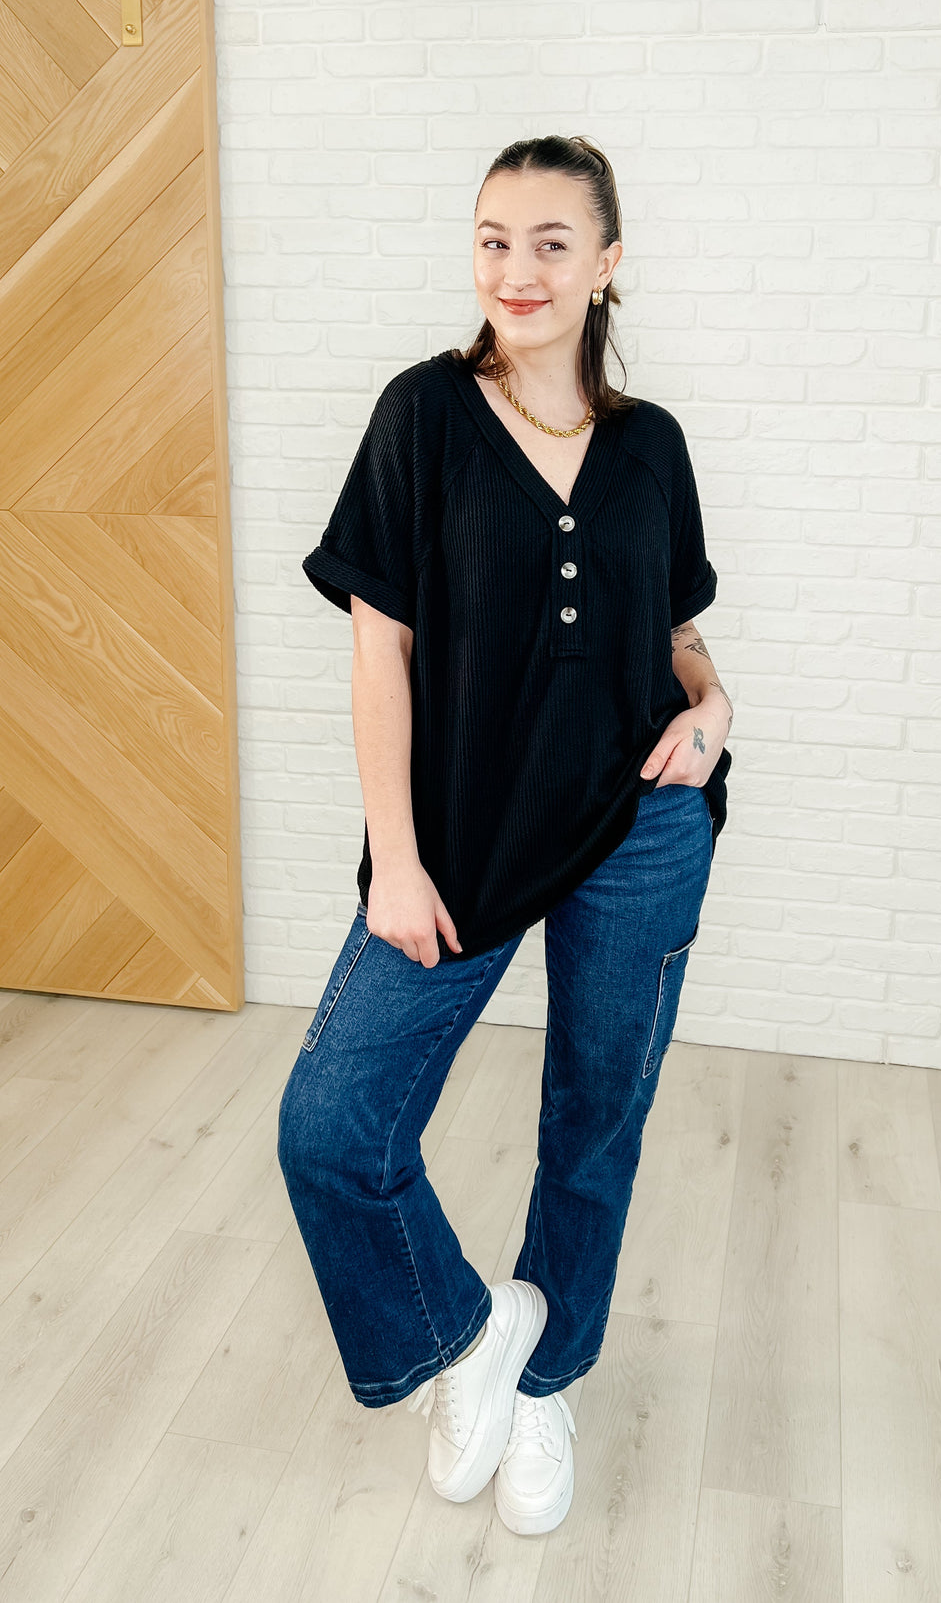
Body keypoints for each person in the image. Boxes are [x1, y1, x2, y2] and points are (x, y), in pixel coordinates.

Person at [277, 134, 734, 1538]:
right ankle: (477, 1340)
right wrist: (397, 858)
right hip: (464, 838)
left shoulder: (652, 444)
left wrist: (715, 710)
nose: (516, 269)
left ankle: (547, 1383)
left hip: (644, 826)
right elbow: (381, 654)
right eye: (493, 239)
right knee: (332, 1130)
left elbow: (674, 631)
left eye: (550, 242)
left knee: (596, 1121)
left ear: (607, 263)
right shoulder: (420, 416)